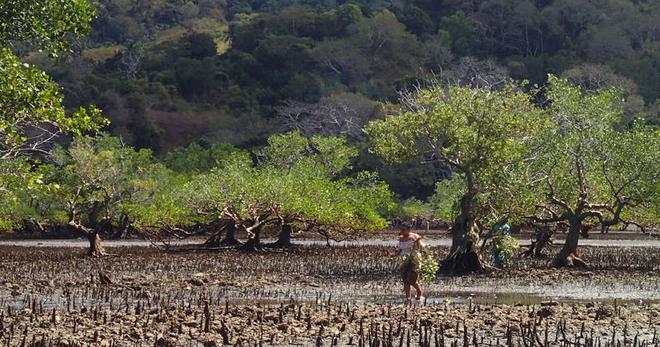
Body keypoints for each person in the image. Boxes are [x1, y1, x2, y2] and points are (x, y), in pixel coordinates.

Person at [390, 223, 424, 304]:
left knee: (412, 279)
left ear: (408, 230)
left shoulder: (414, 236)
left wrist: (417, 240)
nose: (401, 231)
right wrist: (394, 255)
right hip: (404, 260)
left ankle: (419, 292)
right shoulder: (401, 238)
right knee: (405, 280)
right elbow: (400, 250)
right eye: (401, 229)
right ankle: (408, 298)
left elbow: (419, 245)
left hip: (414, 259)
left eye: (403, 229)